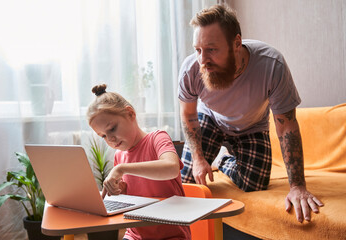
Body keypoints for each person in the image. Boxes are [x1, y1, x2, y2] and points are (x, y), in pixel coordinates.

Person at [178, 4, 323, 223]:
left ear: (236, 43)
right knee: (186, 180)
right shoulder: (191, 69)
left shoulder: (271, 65)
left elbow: (287, 126)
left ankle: (222, 159)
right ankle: (211, 156)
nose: (203, 60)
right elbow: (189, 115)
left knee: (255, 183)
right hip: (210, 119)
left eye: (212, 49)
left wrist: (297, 186)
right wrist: (198, 158)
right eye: (198, 50)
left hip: (252, 126)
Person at [87, 84, 191, 240]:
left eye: (113, 128)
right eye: (103, 136)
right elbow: (131, 195)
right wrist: (119, 190)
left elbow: (171, 168)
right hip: (135, 236)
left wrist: (122, 169)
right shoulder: (119, 155)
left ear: (130, 113)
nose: (110, 139)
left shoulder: (157, 138)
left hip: (171, 235)